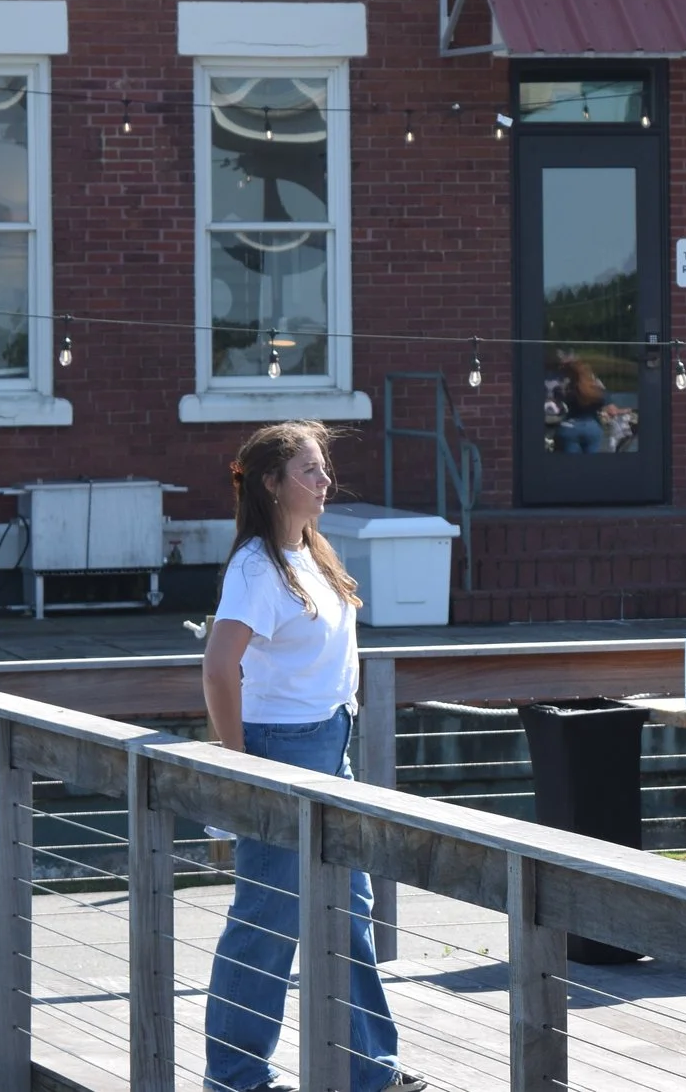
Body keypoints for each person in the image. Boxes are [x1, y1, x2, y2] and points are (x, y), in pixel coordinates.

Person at [201, 423, 427, 1092]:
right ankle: (236, 1077)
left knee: (349, 910)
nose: (325, 480)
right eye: (309, 470)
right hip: (279, 750)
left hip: (331, 744)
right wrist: (239, 767)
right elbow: (218, 666)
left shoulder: (313, 550)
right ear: (272, 483)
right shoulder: (256, 566)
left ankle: (369, 1071)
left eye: (323, 467)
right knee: (268, 919)